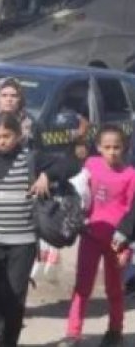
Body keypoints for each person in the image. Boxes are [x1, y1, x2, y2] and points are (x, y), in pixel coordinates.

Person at [0, 112, 79, 347]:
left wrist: (47, 174)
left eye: (7, 136)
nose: (2, 141)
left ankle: (8, 340)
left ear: (18, 136)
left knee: (16, 295)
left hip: (23, 241)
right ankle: (4, 320)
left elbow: (71, 163)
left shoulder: (31, 158)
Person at [58, 126, 135, 347]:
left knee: (114, 288)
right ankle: (73, 332)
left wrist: (128, 246)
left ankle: (115, 331)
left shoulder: (130, 175)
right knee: (82, 285)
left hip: (117, 241)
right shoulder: (91, 165)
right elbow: (75, 183)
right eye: (107, 147)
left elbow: (132, 213)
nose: (112, 152)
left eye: (117, 147)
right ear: (99, 147)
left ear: (125, 147)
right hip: (91, 235)